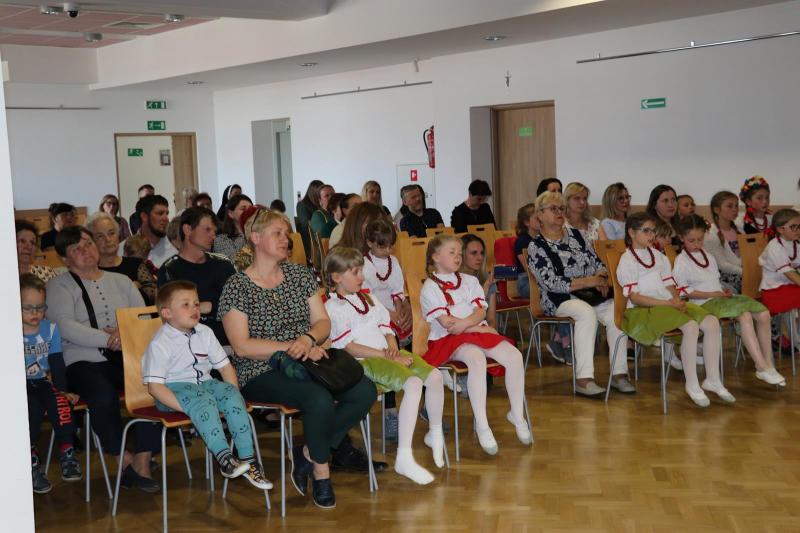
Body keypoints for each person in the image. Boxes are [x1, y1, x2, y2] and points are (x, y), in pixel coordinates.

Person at [219, 208, 381, 509]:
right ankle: (322, 472)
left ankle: (308, 453)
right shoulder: (236, 286)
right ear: (256, 238)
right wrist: (293, 345)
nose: (286, 239)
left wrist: (307, 339)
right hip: (260, 369)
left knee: (364, 390)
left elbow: (322, 322)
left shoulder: (300, 275)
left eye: (286, 233)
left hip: (309, 359)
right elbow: (241, 346)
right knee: (318, 399)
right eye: (277, 233)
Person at [46, 227, 161, 492]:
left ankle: (143, 459)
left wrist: (124, 333)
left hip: (125, 355)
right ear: (64, 258)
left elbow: (142, 318)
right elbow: (64, 326)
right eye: (76, 248)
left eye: (88, 243)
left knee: (153, 386)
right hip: (81, 359)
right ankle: (123, 458)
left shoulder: (121, 281)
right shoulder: (58, 285)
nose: (85, 250)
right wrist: (108, 339)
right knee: (102, 395)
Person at [324, 248, 444, 485]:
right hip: (364, 362)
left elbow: (386, 328)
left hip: (387, 354)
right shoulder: (334, 307)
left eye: (361, 271)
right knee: (413, 384)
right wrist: (387, 357)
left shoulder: (369, 298)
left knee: (435, 376)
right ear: (336, 277)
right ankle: (404, 456)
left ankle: (435, 431)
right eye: (355, 272)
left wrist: (392, 348)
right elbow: (349, 347)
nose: (362, 276)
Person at [143, 280, 272, 489]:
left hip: (205, 384)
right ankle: (225, 459)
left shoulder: (205, 332)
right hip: (172, 391)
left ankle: (248, 460)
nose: (194, 309)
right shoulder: (160, 342)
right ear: (167, 313)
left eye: (196, 303)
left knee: (231, 395)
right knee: (204, 401)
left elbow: (225, 367)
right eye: (185, 305)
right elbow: (155, 388)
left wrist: (233, 396)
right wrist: (188, 407)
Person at [421, 234, 531, 454]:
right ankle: (482, 424)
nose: (458, 256)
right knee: (476, 359)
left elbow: (480, 311)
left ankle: (517, 414)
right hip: (448, 340)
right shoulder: (430, 288)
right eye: (451, 252)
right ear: (436, 257)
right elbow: (448, 324)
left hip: (474, 332)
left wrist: (470, 325)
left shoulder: (469, 281)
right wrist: (478, 328)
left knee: (514, 356)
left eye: (459, 253)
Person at [616, 212, 728, 407]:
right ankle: (692, 384)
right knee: (691, 326)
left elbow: (670, 285)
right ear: (632, 233)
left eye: (653, 231)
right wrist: (669, 304)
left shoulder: (659, 256)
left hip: (666, 304)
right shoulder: (627, 260)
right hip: (643, 310)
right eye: (646, 231)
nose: (651, 235)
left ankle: (713, 379)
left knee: (711, 322)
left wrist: (676, 300)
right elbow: (635, 298)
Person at [529, 191, 632, 397]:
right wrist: (589, 281)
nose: (559, 212)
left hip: (591, 294)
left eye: (561, 208)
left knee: (615, 310)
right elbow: (551, 283)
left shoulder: (578, 235)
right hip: (558, 299)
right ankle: (584, 379)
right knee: (586, 313)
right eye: (553, 209)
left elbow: (598, 263)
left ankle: (619, 374)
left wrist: (601, 277)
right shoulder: (537, 246)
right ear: (540, 215)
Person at [673, 215, 785, 386]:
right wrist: (713, 294)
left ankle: (768, 364)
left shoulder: (708, 256)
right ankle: (761, 366)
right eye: (691, 240)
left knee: (763, 313)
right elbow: (683, 292)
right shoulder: (681, 261)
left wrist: (721, 290)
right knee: (744, 315)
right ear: (681, 238)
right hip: (703, 304)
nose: (697, 244)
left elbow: (714, 281)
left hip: (718, 298)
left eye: (700, 239)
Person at [21, 274, 81, 494]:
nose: (35, 313)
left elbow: (57, 362)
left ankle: (67, 451)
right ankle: (30, 462)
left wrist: (63, 390)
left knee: (61, 405)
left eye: (40, 307)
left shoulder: (51, 329)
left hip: (44, 382)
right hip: (21, 387)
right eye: (28, 308)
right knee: (31, 412)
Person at [159, 207, 235, 346]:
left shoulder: (224, 264)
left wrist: (211, 306)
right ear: (187, 229)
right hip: (189, 345)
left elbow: (238, 304)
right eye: (207, 230)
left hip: (229, 342)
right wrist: (211, 306)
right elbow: (172, 315)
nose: (213, 236)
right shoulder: (170, 269)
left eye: (214, 231)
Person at [87, 212, 157, 305]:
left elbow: (153, 298)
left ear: (118, 235)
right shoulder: (88, 271)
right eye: (100, 236)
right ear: (91, 241)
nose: (108, 239)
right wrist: (130, 289)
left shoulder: (135, 264)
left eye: (111, 233)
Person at [758, 208, 800, 350]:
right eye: (794, 227)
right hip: (773, 291)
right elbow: (790, 274)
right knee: (793, 300)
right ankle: (797, 341)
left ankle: (797, 338)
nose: (798, 230)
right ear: (780, 229)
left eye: (799, 226)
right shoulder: (774, 247)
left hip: (789, 287)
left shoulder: (796, 244)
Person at [705, 191, 743, 293]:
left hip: (741, 271)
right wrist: (746, 272)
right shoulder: (710, 233)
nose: (735, 209)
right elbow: (722, 265)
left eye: (736, 206)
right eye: (730, 206)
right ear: (717, 210)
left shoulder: (739, 230)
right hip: (724, 276)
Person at [460, 234, 497, 330]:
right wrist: (486, 287)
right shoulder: (454, 280)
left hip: (483, 330)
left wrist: (490, 333)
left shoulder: (486, 277)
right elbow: (466, 315)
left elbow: (491, 319)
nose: (479, 257)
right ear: (461, 255)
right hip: (462, 330)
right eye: (474, 253)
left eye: (482, 253)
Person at [135, 194, 177, 268]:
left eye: (167, 214)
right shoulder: (123, 251)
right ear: (144, 217)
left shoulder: (175, 252)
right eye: (160, 213)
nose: (166, 218)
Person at [213, 194, 253, 261]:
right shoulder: (221, 239)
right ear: (231, 214)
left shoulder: (260, 234)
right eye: (243, 209)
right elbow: (236, 263)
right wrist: (251, 238)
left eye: (251, 209)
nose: (249, 212)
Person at [512, 203, 539, 299]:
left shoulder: (543, 239)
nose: (542, 220)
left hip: (542, 279)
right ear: (527, 222)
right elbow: (529, 269)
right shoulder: (522, 242)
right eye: (537, 218)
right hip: (526, 281)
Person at [296, 180, 324, 258]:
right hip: (309, 239)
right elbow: (305, 223)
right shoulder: (302, 205)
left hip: (320, 236)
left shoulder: (320, 205)